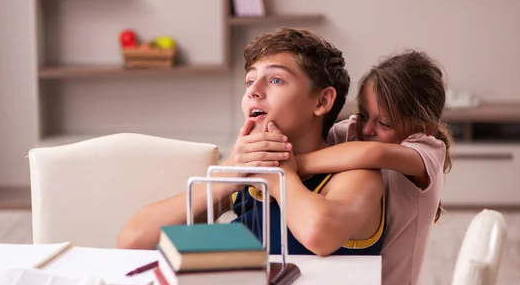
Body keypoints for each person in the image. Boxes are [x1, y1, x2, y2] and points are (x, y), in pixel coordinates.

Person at [117, 26, 387, 258]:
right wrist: (230, 172)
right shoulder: (245, 177)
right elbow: (133, 241)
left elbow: (319, 236)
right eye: (249, 81)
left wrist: (280, 175)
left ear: (322, 101)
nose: (254, 91)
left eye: (276, 79)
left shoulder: (357, 176)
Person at [296, 50, 453, 285]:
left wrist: (295, 165)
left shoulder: (426, 152)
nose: (366, 129)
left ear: (422, 125)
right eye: (363, 114)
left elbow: (375, 152)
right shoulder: (353, 132)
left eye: (383, 123)